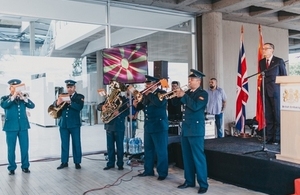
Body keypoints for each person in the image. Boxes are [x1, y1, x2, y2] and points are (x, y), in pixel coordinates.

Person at [176, 69, 209, 194]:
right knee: (187, 157)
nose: (189, 82)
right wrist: (175, 93)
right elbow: (176, 103)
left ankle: (203, 184)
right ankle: (189, 181)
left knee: (198, 158)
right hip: (186, 129)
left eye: (192, 80)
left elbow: (195, 107)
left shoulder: (203, 94)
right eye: (189, 79)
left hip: (195, 130)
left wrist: (183, 96)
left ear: (198, 81)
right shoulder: (188, 92)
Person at [133, 75, 168, 181]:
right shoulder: (146, 95)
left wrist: (148, 94)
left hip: (159, 126)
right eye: (146, 84)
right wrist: (136, 105)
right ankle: (148, 170)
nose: (146, 85)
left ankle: (162, 172)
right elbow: (143, 107)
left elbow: (158, 103)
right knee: (148, 150)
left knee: (161, 151)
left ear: (155, 84)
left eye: (149, 84)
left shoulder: (161, 93)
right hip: (148, 126)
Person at [0, 79, 35, 175]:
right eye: (14, 87)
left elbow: (32, 106)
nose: (16, 89)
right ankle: (11, 167)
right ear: (10, 88)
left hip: (23, 127)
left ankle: (25, 166)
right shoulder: (5, 98)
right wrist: (14, 96)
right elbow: (4, 105)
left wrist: (24, 98)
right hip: (10, 127)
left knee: (24, 148)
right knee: (11, 148)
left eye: (17, 87)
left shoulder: (23, 98)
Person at [259, 43, 287, 145]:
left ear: (272, 50)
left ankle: (278, 138)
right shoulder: (261, 62)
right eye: (263, 49)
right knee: (269, 116)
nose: (264, 51)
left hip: (276, 92)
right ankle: (269, 138)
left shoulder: (279, 61)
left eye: (266, 49)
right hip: (265, 92)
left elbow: (284, 76)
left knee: (277, 116)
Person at [97, 81, 129, 170]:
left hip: (119, 126)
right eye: (112, 89)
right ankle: (110, 163)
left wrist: (119, 113)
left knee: (119, 146)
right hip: (109, 126)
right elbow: (98, 106)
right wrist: (102, 107)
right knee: (110, 147)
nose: (113, 90)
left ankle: (120, 164)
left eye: (115, 89)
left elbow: (127, 111)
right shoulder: (108, 99)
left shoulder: (123, 100)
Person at [55, 80, 84, 170]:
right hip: (64, 124)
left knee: (76, 143)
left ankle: (77, 162)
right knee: (64, 144)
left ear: (74, 88)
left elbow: (79, 107)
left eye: (71, 87)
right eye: (68, 87)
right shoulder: (62, 95)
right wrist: (57, 103)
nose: (69, 89)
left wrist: (70, 102)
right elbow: (55, 105)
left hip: (74, 124)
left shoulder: (80, 97)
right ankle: (64, 162)